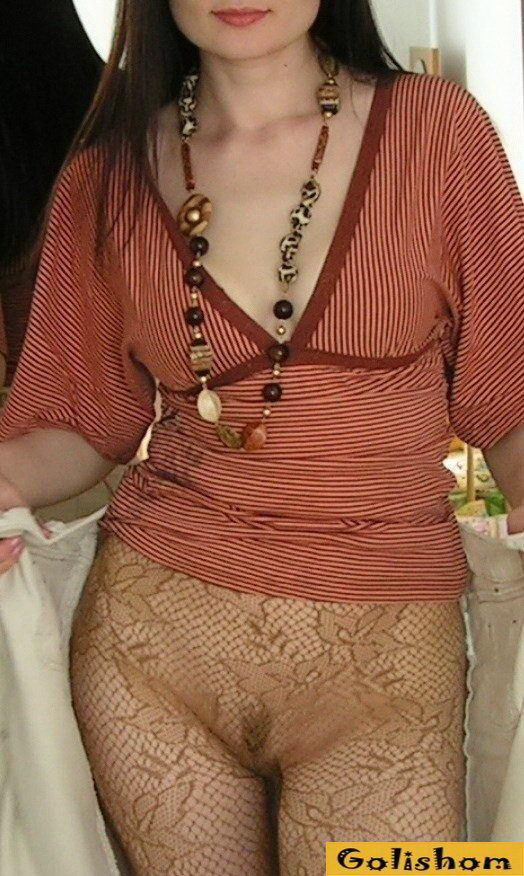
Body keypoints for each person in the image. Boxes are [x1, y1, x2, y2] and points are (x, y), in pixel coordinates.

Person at [0, 1, 524, 872]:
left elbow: (512, 395)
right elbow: (81, 423)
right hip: (152, 652)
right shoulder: (107, 173)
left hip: (388, 664)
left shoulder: (438, 130)